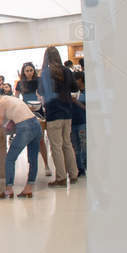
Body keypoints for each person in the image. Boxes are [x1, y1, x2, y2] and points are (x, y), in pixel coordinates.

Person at [0, 90, 43, 198]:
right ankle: (28, 188)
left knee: (10, 159)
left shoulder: (0, 103)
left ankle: (9, 190)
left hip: (25, 127)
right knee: (33, 159)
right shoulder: (12, 98)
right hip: (36, 124)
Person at [40, 47, 79, 187]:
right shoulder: (67, 71)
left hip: (53, 113)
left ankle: (61, 178)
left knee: (56, 146)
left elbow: (41, 91)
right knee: (67, 144)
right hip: (67, 112)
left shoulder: (45, 73)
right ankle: (73, 174)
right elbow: (75, 88)